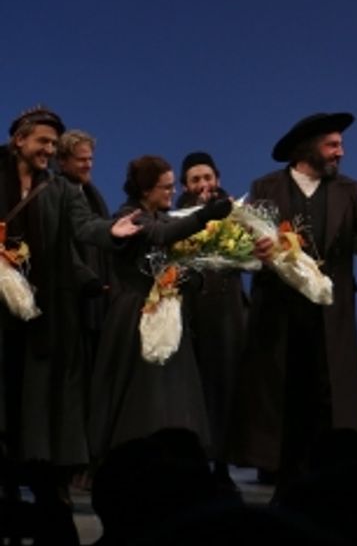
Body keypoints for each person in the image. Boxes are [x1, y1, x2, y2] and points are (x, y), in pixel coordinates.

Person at [227, 112, 357, 494]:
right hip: (280, 314)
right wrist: (254, 251)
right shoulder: (266, 187)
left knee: (327, 398)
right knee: (283, 395)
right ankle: (283, 479)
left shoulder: (350, 190)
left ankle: (328, 481)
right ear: (307, 148)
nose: (340, 153)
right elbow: (244, 247)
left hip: (330, 314)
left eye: (340, 146)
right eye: (332, 145)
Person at [1, 107, 139, 507]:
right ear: (19, 140)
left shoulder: (58, 190)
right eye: (42, 141)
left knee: (33, 398)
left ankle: (39, 483)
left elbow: (82, 225)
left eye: (52, 143)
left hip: (41, 312)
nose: (48, 149)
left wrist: (110, 230)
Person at [88, 156, 235, 460]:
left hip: (166, 311)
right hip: (135, 315)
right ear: (145, 190)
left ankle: (171, 458)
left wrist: (191, 276)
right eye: (165, 187)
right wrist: (206, 215)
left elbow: (179, 249)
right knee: (141, 391)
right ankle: (132, 457)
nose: (171, 192)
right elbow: (160, 235)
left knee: (172, 391)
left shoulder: (164, 217)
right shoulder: (130, 216)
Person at [175, 151, 248, 488]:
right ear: (184, 186)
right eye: (195, 180)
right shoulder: (178, 218)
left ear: (217, 178)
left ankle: (221, 464)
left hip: (228, 313)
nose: (203, 185)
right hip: (192, 312)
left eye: (208, 178)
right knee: (196, 389)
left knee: (228, 388)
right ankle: (196, 464)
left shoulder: (236, 214)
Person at [56, 129, 113, 377]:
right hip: (71, 294)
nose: (88, 165)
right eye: (81, 160)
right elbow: (61, 243)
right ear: (62, 161)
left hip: (97, 295)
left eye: (90, 159)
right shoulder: (57, 193)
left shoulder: (91, 193)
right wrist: (86, 279)